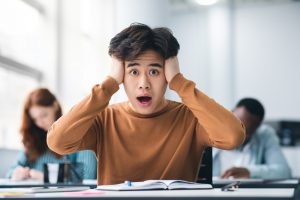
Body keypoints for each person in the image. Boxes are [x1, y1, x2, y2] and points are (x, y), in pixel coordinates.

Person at [47, 23, 245, 185]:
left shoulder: (191, 117)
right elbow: (57, 142)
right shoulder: (104, 119)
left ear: (166, 75)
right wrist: (108, 85)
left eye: (154, 72)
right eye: (133, 72)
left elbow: (233, 136)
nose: (143, 85)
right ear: (121, 75)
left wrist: (179, 82)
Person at [7, 88, 97, 181]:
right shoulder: (34, 140)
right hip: (32, 194)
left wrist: (44, 176)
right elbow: (11, 171)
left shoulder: (79, 133)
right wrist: (16, 173)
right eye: (35, 119)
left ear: (55, 106)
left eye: (44, 115)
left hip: (65, 195)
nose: (40, 123)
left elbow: (87, 175)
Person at [213, 98, 291, 179]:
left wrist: (250, 171)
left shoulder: (265, 135)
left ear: (256, 128)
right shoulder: (208, 131)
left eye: (245, 133)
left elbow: (284, 171)